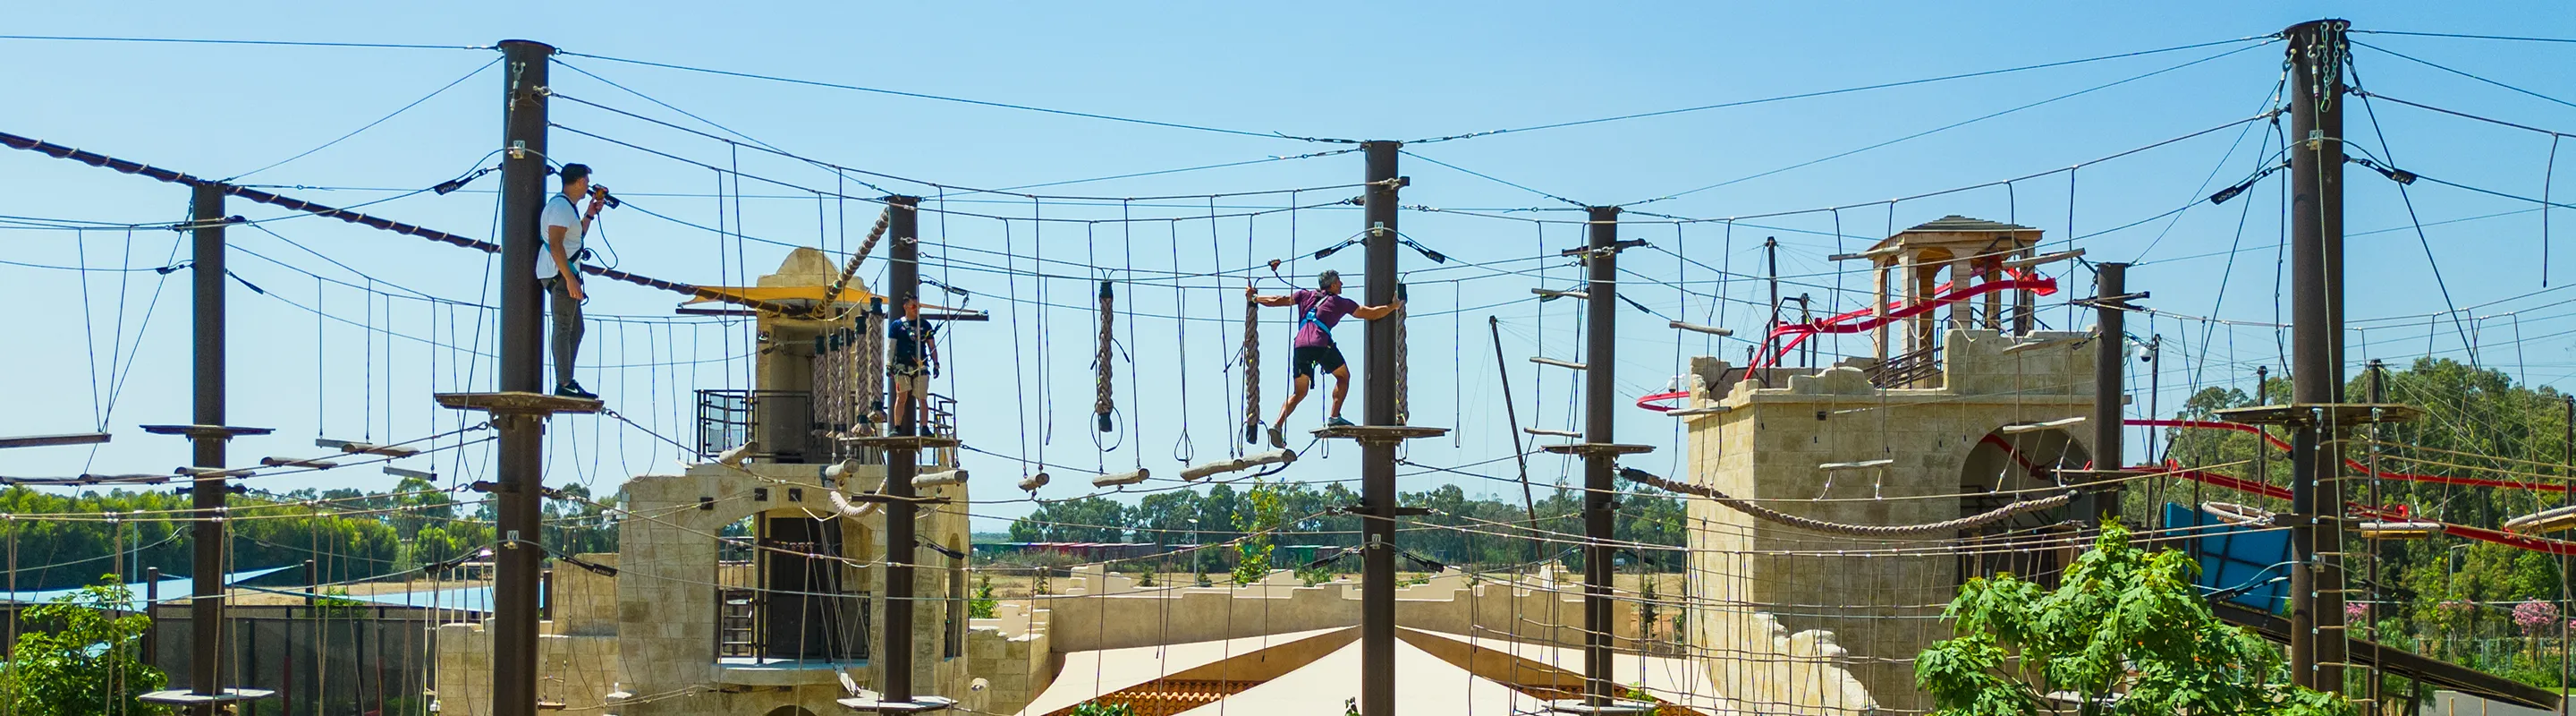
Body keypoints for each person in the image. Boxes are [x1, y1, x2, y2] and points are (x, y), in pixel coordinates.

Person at [1248, 269, 1402, 448]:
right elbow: (1370, 313)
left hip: (1300, 346)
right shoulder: (1340, 302)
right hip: (1320, 344)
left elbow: (1277, 300)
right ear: (1333, 285)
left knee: (1299, 393)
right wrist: (1392, 307)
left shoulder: (1304, 295)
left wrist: (1255, 298)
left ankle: (1277, 425)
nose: (1342, 284)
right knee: (1343, 377)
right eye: (1340, 281)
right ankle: (1334, 417)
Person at [541, 163, 608, 399]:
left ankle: (566, 380)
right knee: (563, 327)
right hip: (560, 274)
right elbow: (556, 244)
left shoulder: (566, 208)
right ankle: (564, 383)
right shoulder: (561, 207)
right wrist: (570, 279)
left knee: (576, 329)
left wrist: (590, 214)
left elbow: (574, 238)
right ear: (580, 182)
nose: (588, 186)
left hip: (563, 273)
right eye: (587, 182)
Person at [888, 298, 941, 435]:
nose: (916, 309)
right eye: (913, 306)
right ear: (905, 306)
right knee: (901, 398)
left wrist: (936, 364)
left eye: (918, 306)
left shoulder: (925, 325)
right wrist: (889, 365)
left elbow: (932, 346)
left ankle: (924, 427)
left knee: (922, 398)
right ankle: (897, 427)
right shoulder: (897, 325)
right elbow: (891, 347)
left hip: (921, 366)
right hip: (902, 367)